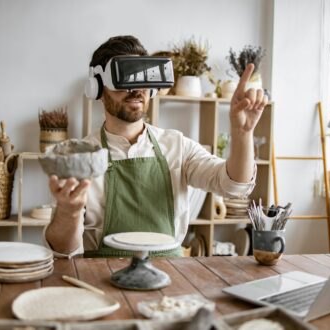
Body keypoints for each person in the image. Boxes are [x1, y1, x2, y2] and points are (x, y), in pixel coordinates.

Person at [44, 35, 268, 257]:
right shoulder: (82, 158)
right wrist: (69, 212)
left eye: (142, 77)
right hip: (103, 279)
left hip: (169, 277)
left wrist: (243, 133)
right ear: (97, 88)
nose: (136, 89)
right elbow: (64, 251)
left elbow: (233, 186)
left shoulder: (177, 146)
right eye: (125, 77)